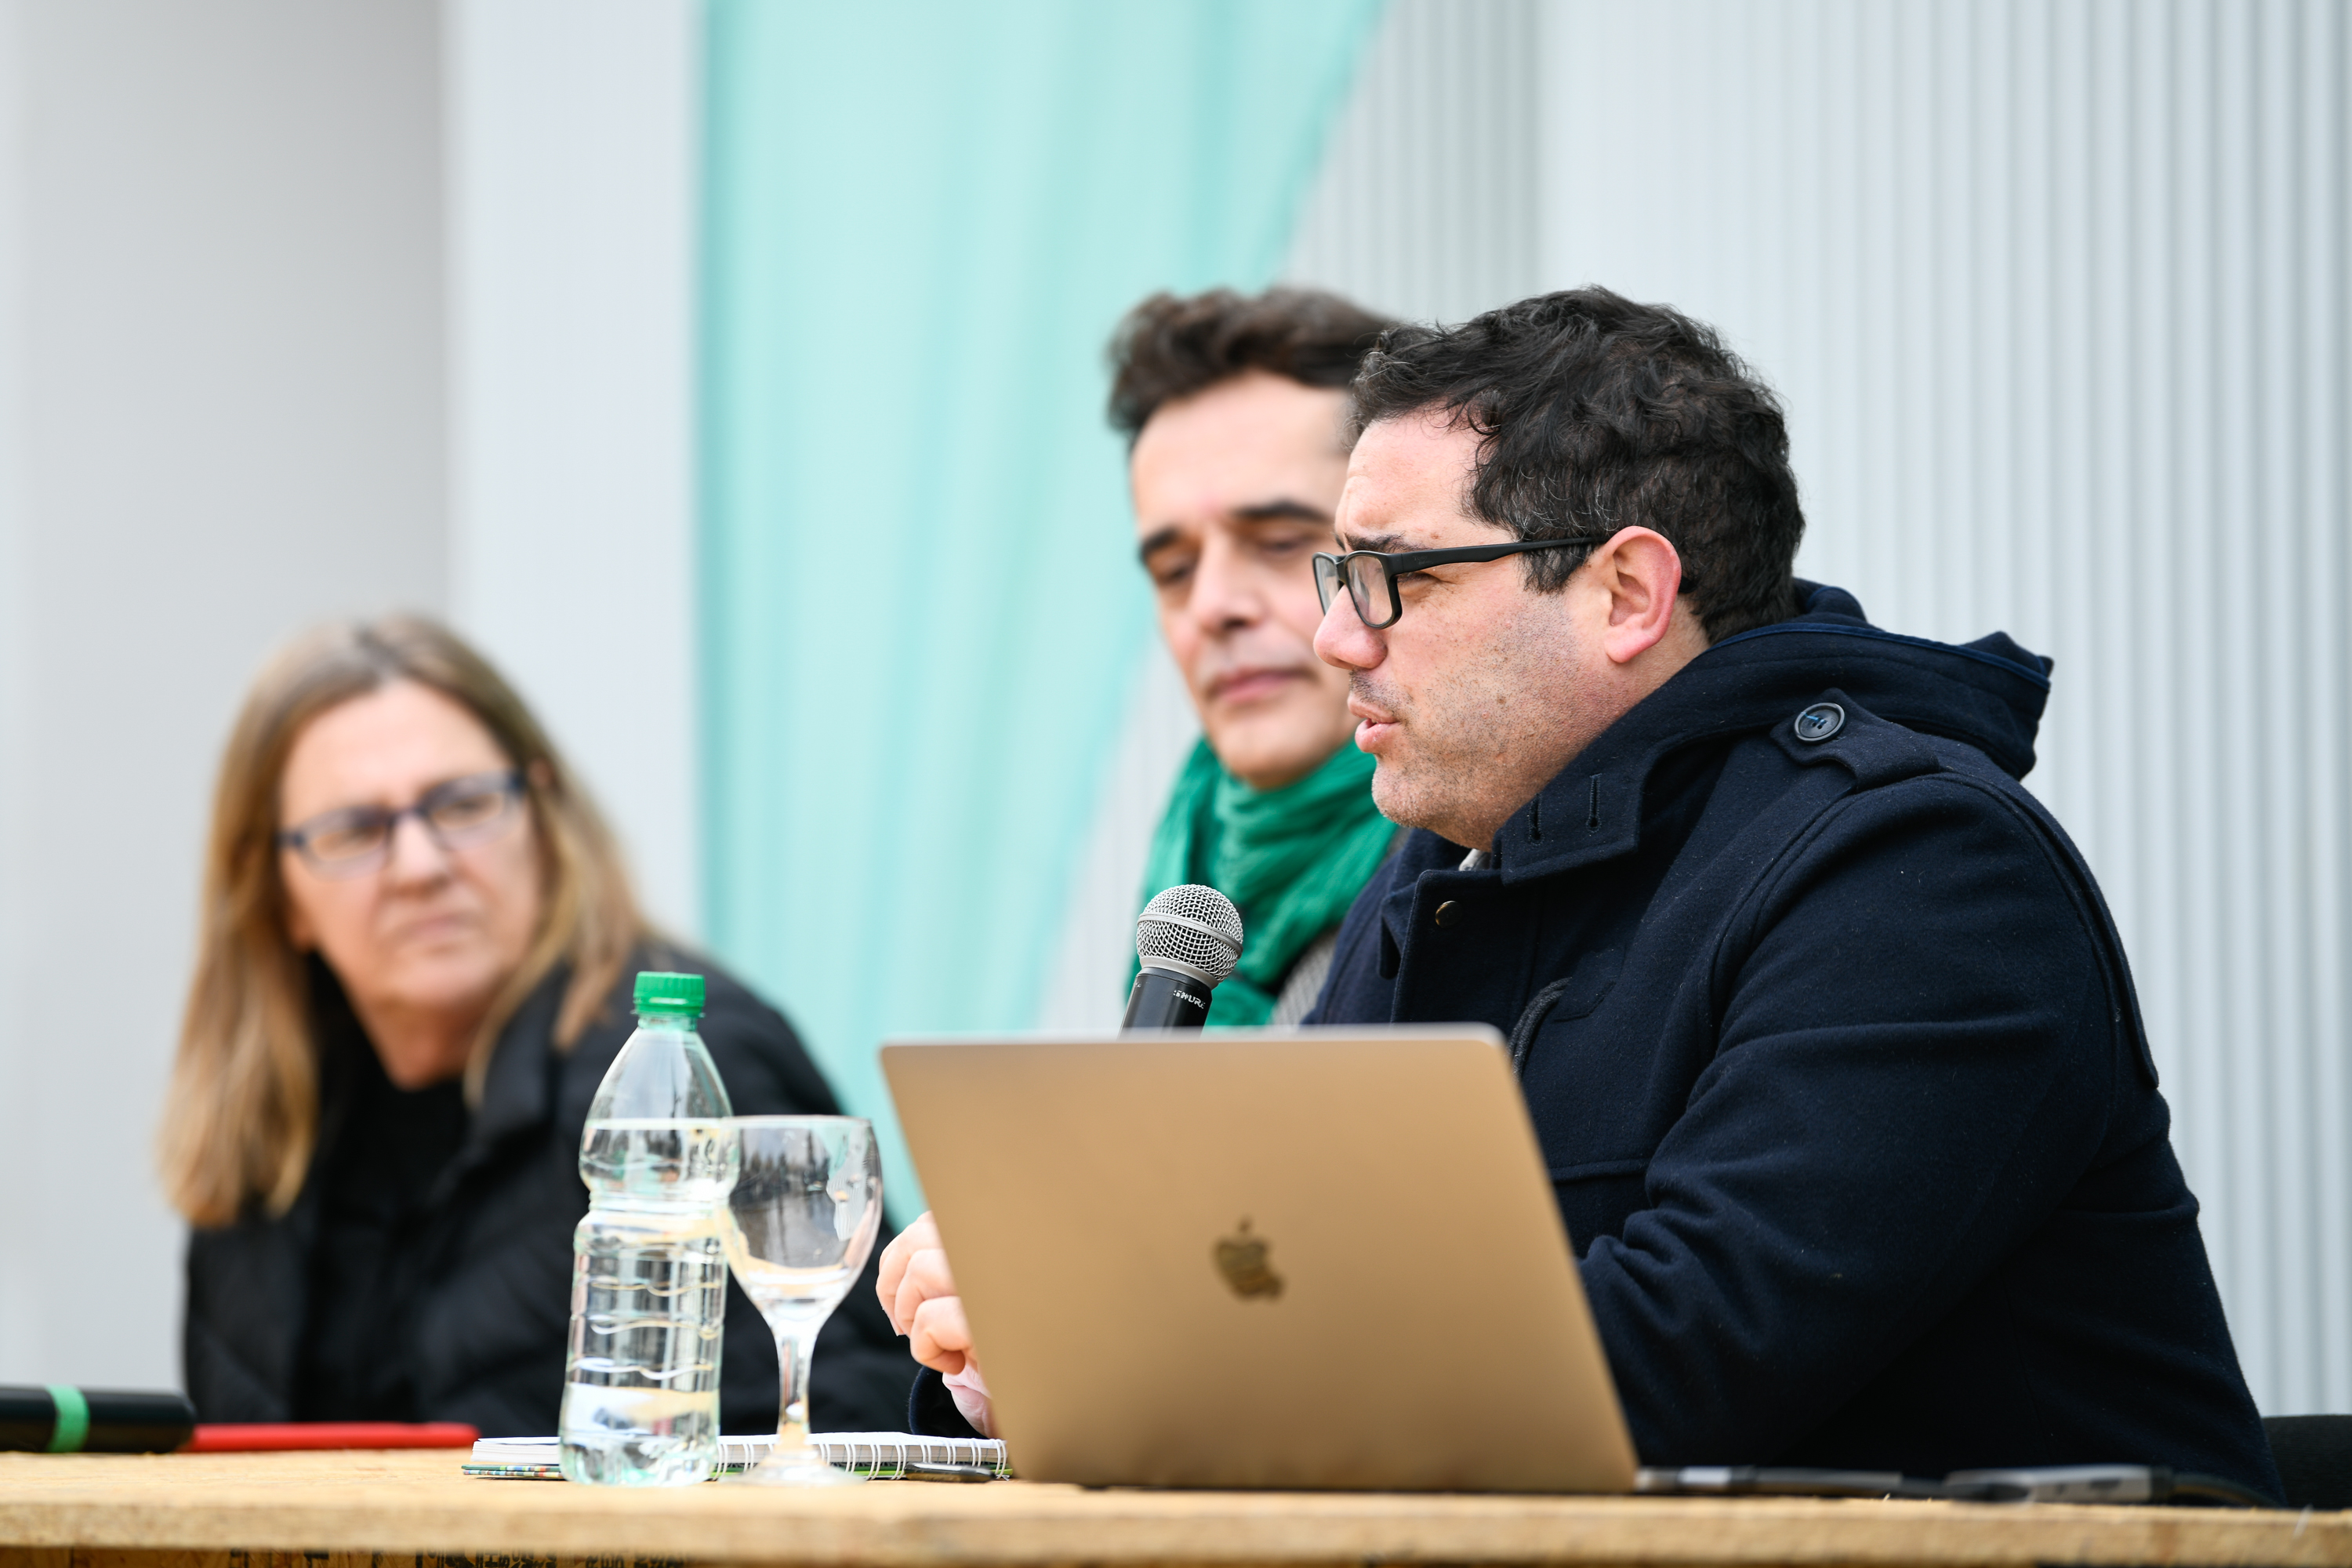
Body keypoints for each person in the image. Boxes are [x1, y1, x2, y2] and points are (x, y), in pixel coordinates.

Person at [881, 289, 2281, 1498]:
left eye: (1388, 581)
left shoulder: (1918, 873)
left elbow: (1667, 1363)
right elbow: (1295, 1286)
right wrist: (1063, 1341)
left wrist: (1155, 1346)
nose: (1329, 635)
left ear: (1624, 594)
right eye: (1336, 577)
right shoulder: (1444, 860)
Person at [164, 615, 914, 1434]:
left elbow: (843, 1421)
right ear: (279, 896)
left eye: (463, 804)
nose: (420, 866)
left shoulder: (683, 1067)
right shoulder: (267, 1128)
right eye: (355, 830)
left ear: (544, 820)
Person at [1112, 286, 1401, 1024]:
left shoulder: (1494, 855)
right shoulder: (1186, 872)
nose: (1212, 606)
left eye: (1277, 544)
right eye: (1174, 569)